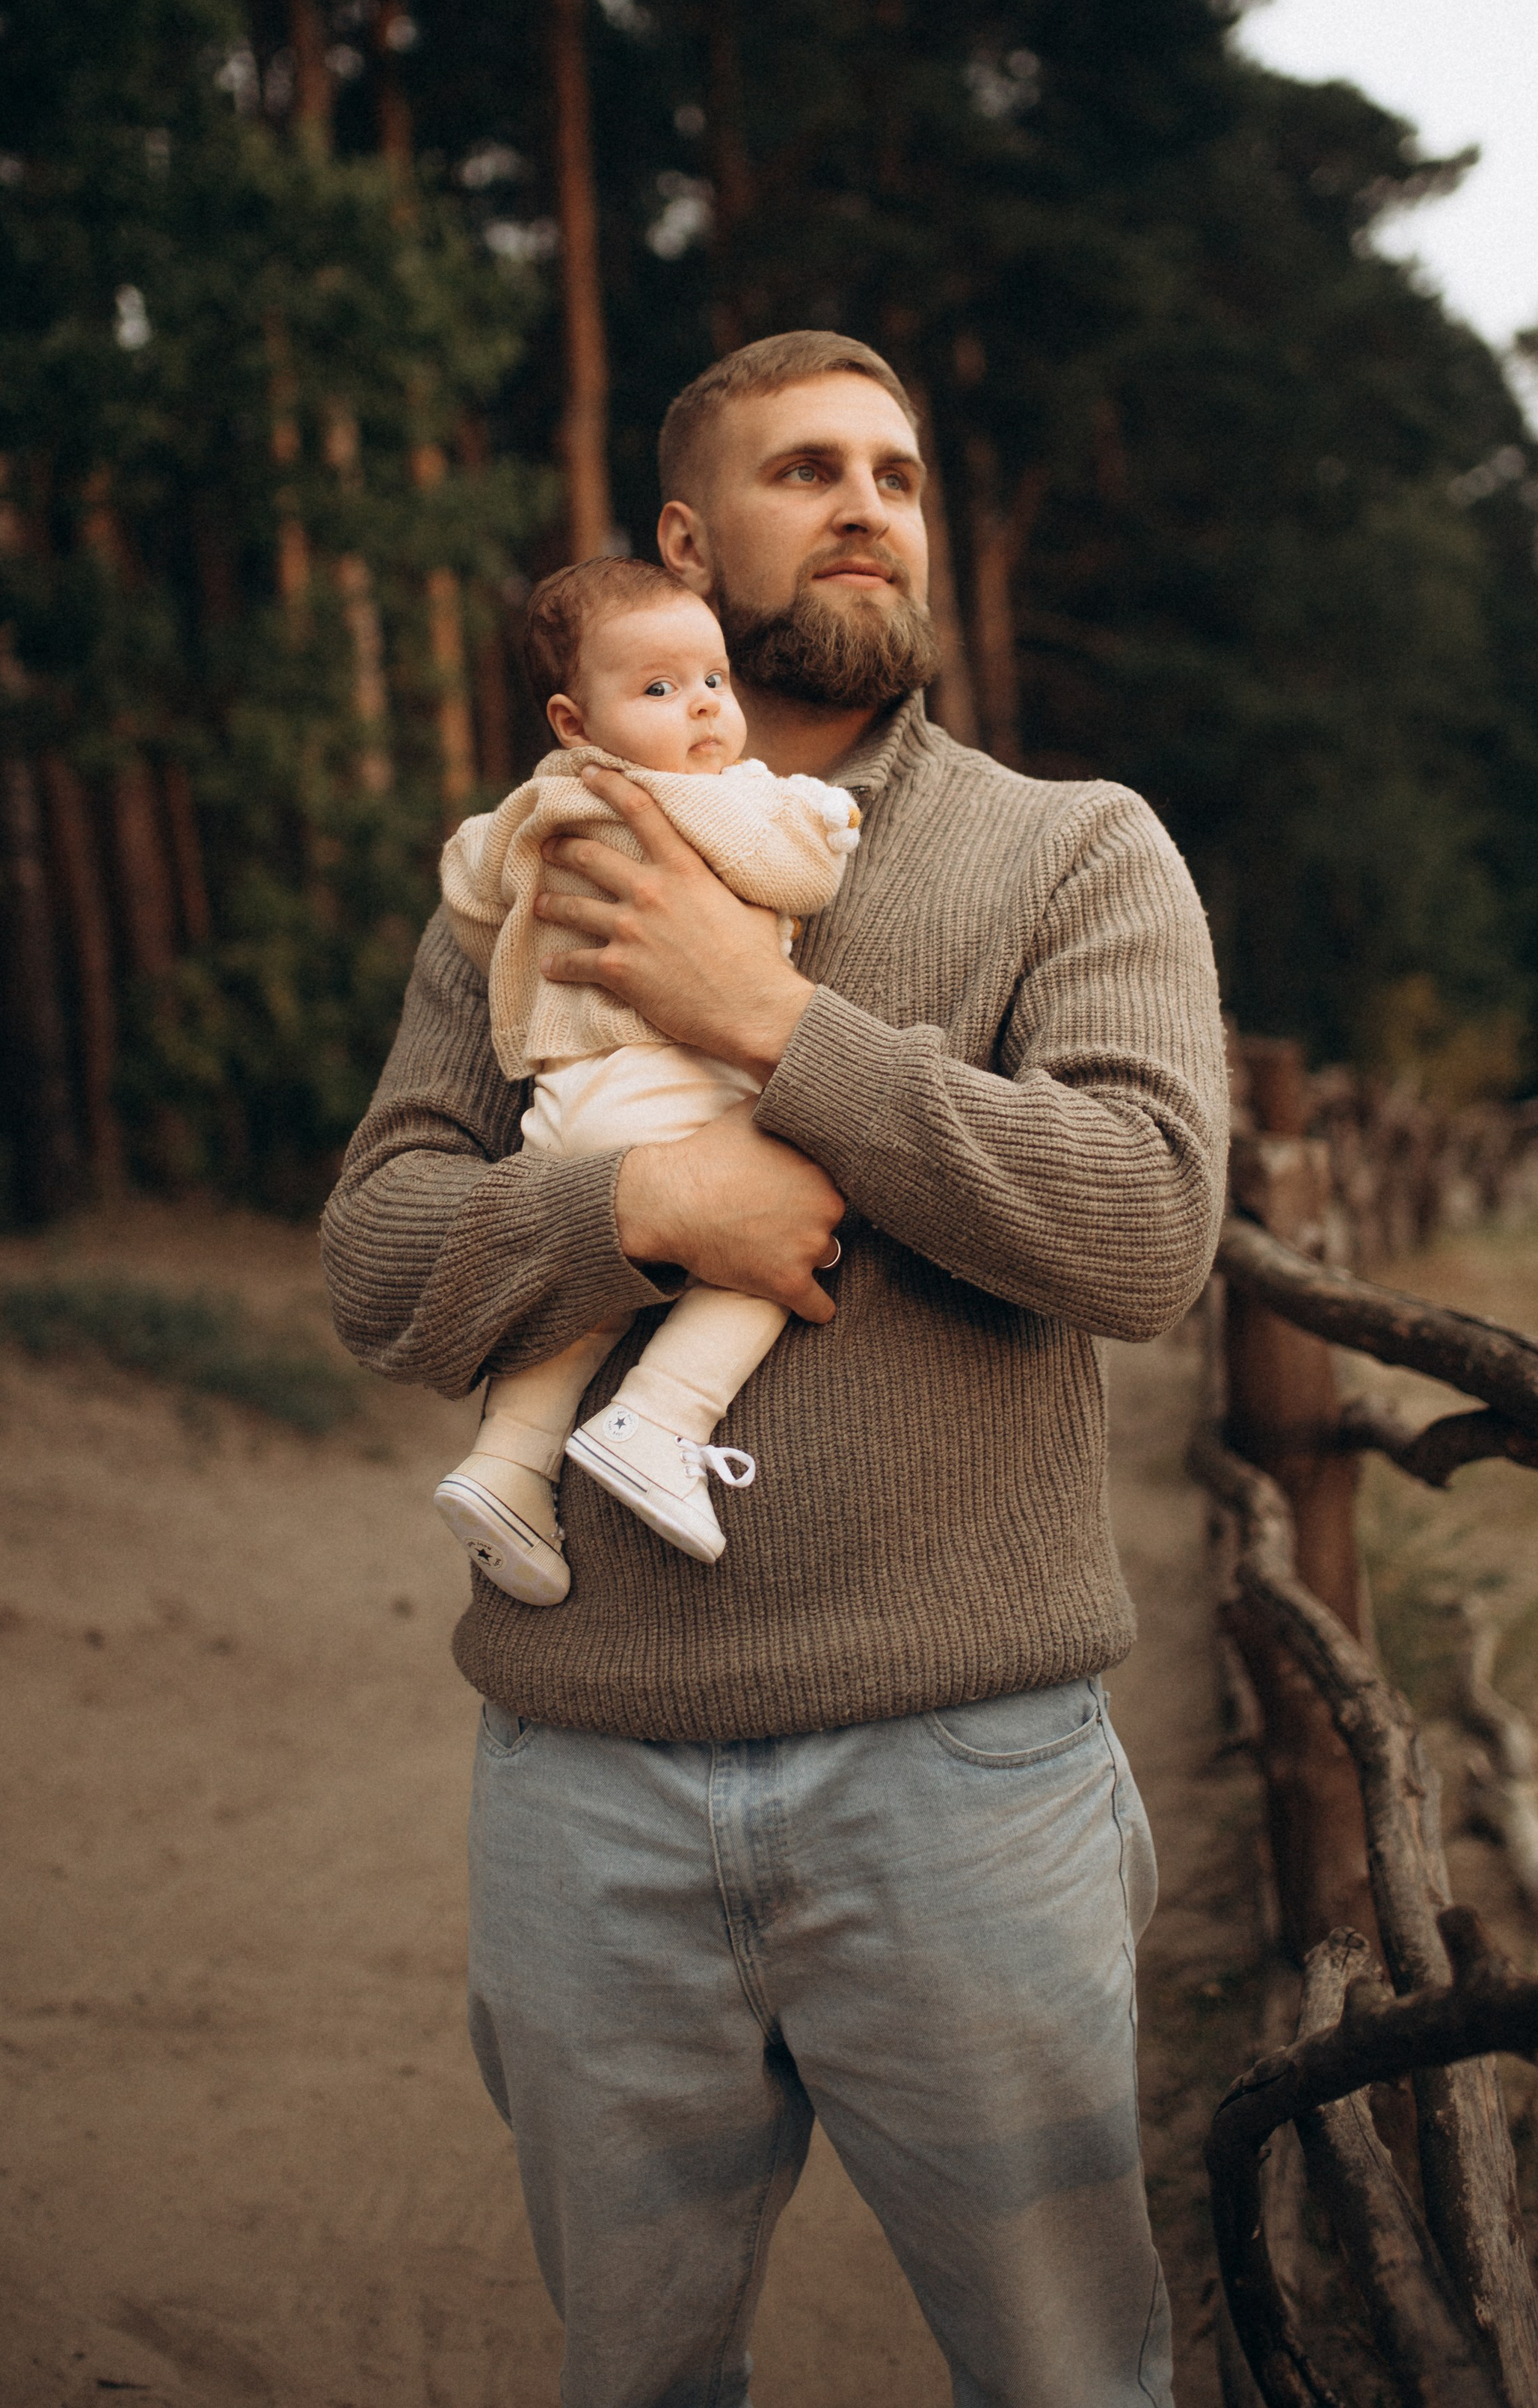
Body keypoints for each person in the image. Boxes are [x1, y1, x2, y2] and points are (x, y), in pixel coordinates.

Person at [322, 329, 1229, 2408]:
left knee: (1071, 2382)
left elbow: (1146, 1226)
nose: (866, 509)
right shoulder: (541, 857)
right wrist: (640, 1217)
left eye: (899, 477)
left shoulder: (1072, 849)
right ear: (682, 539)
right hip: (585, 1785)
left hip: (966, 1774)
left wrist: (776, 1028)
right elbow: (380, 1267)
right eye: (807, 467)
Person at [431, 554, 861, 1602]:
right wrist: (826, 816)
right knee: (785, 1225)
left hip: (568, 1102)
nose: (705, 710)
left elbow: (468, 888)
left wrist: (520, 966)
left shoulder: (539, 808)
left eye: (713, 680)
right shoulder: (695, 801)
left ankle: (507, 1468)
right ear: (576, 721)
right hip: (673, 1091)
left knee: (584, 1305)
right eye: (660, 691)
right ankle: (663, 1419)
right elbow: (797, 869)